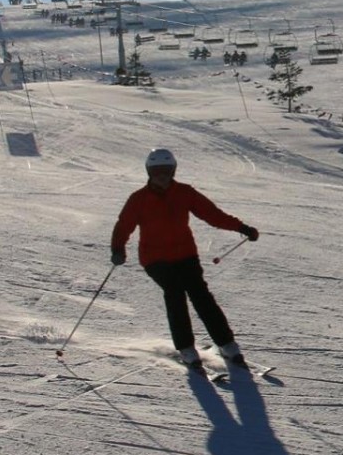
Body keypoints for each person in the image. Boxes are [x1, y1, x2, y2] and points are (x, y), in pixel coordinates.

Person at [110, 147, 258, 368]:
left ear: (173, 171)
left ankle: (227, 344)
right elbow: (124, 226)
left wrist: (242, 227)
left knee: (201, 295)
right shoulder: (138, 199)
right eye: (157, 171)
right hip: (155, 259)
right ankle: (187, 348)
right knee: (175, 293)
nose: (162, 176)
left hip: (185, 255)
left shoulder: (185, 193)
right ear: (149, 172)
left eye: (166, 171)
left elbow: (212, 214)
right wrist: (118, 249)